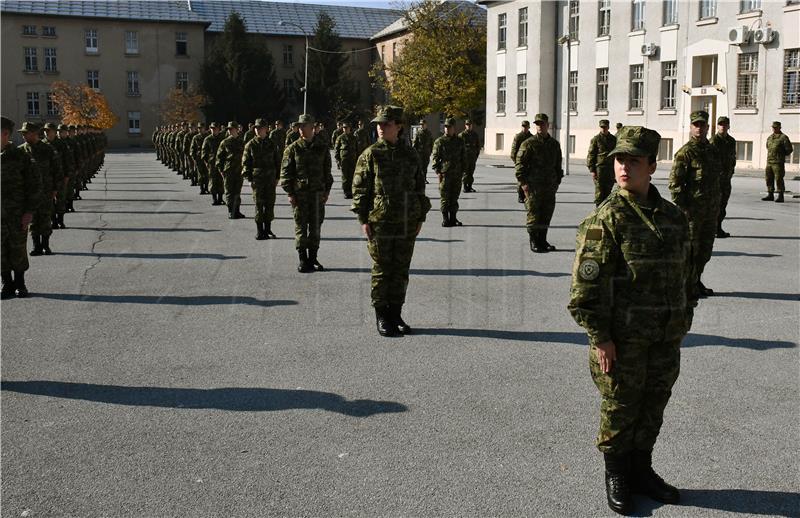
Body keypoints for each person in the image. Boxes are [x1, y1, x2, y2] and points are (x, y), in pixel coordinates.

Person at [568, 126, 696, 516]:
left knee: (654, 405)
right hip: (621, 340)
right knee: (620, 407)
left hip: (664, 337)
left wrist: (682, 319)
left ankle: (642, 470)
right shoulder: (605, 219)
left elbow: (686, 275)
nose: (623, 167)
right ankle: (618, 475)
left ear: (652, 166)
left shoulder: (674, 217)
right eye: (619, 160)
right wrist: (601, 338)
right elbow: (584, 291)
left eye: (633, 161)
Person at [352, 105, 430, 337]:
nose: (380, 127)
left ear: (399, 126)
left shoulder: (410, 154)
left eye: (386, 123)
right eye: (378, 124)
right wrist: (363, 219)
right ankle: (382, 316)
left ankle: (396, 313)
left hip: (406, 221)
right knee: (382, 270)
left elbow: (419, 187)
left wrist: (420, 216)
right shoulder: (371, 154)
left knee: (401, 270)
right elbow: (360, 189)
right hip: (381, 221)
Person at [669, 110, 721, 297]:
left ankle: (696, 281)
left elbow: (717, 180)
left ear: (708, 127)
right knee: (690, 250)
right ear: (690, 127)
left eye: (702, 125)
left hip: (710, 211)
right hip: (692, 213)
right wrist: (684, 209)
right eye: (695, 125)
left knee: (705, 250)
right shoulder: (685, 153)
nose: (699, 128)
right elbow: (675, 184)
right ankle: (686, 286)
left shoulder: (713, 150)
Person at [280, 114, 333, 273]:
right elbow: (285, 174)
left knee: (316, 227)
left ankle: (313, 258)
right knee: (301, 227)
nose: (301, 129)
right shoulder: (292, 148)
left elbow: (327, 173)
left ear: (313, 128)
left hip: (318, 194)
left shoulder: (322, 147)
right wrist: (290, 193)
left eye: (305, 126)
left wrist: (327, 191)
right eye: (300, 126)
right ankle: (303, 259)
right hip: (300, 195)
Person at [1, 116, 40, 298]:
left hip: (16, 213)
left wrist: (29, 212)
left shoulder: (20, 156)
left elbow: (34, 185)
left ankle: (20, 283)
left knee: (17, 248)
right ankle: (6, 284)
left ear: (5, 134)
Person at [515, 113, 563, 253]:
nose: (540, 126)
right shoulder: (528, 143)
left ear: (548, 125)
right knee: (533, 214)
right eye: (537, 124)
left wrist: (557, 182)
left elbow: (558, 165)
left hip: (549, 186)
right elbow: (520, 165)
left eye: (542, 124)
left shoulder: (554, 144)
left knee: (546, 214)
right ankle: (534, 241)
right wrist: (523, 183)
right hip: (533, 186)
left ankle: (543, 239)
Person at [19, 122, 62, 256]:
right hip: (28, 193)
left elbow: (57, 169)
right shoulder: (20, 151)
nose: (24, 136)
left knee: (45, 218)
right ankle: (36, 246)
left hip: (46, 190)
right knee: (32, 220)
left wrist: (56, 188)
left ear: (34, 134)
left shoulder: (47, 149)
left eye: (26, 133)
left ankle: (46, 245)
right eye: (23, 134)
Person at [242, 118, 280, 240]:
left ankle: (268, 229)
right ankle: (260, 231)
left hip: (270, 179)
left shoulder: (272, 144)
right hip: (257, 179)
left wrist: (277, 177)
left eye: (260, 128)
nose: (258, 130)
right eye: (256, 128)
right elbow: (245, 163)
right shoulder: (250, 145)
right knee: (259, 205)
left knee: (269, 204)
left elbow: (277, 161)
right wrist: (248, 179)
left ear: (266, 129)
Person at [431, 117, 466, 227]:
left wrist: (464, 171)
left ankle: (453, 218)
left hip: (457, 173)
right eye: (445, 127)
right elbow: (435, 157)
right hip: (445, 174)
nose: (447, 129)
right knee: (445, 197)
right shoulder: (440, 141)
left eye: (449, 127)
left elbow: (463, 157)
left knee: (454, 197)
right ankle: (445, 219)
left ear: (453, 128)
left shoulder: (460, 141)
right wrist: (438, 171)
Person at [709, 116, 736, 237]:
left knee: (723, 205)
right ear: (717, 126)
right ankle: (712, 229)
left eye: (725, 124)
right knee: (714, 205)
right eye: (720, 124)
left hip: (726, 179)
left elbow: (732, 158)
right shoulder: (714, 141)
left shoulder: (731, 141)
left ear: (729, 126)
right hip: (715, 179)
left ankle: (718, 228)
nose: (723, 127)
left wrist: (731, 172)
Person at [216, 121, 246, 219]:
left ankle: (237, 210)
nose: (230, 131)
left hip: (239, 170)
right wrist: (221, 170)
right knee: (229, 192)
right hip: (228, 171)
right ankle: (230, 211)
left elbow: (246, 157)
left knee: (237, 191)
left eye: (232, 129)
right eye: (229, 129)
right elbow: (219, 158)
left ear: (237, 129)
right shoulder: (224, 142)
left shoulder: (242, 142)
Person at [44, 123, 71, 229]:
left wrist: (67, 175)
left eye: (49, 130)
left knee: (61, 199)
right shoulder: (42, 145)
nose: (46, 132)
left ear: (54, 132)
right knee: (49, 201)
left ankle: (60, 220)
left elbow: (67, 160)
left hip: (60, 176)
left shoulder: (61, 144)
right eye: (45, 131)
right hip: (47, 178)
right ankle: (53, 221)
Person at [586, 119, 617, 206]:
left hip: (610, 169)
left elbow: (616, 154)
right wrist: (592, 170)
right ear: (600, 127)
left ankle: (605, 212)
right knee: (599, 193)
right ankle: (598, 212)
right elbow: (591, 154)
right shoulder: (596, 139)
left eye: (605, 127)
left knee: (608, 193)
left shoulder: (613, 139)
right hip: (599, 169)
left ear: (608, 127)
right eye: (602, 127)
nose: (604, 129)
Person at [763, 121, 793, 203]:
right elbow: (767, 147)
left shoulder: (783, 137)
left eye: (776, 127)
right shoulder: (770, 137)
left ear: (780, 127)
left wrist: (780, 155)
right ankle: (770, 194)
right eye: (773, 127)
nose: (774, 129)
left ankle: (780, 195)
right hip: (769, 162)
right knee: (768, 178)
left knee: (778, 179)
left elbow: (789, 149)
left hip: (778, 162)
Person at [202, 122, 226, 206]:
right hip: (212, 163)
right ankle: (214, 198)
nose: (214, 130)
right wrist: (207, 163)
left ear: (218, 129)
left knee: (221, 181)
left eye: (215, 128)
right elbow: (204, 153)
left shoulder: (223, 139)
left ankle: (220, 198)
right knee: (212, 180)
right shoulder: (207, 139)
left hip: (221, 162)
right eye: (212, 128)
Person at [510, 120, 533, 203]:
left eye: (526, 126)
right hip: (520, 161)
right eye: (523, 126)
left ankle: (527, 195)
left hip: (529, 162)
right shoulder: (518, 137)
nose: (525, 128)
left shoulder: (531, 137)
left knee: (529, 180)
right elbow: (513, 150)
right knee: (520, 179)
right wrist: (516, 162)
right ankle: (520, 195)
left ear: (529, 127)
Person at [334, 122, 359, 199]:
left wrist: (358, 159)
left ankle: (351, 191)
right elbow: (336, 150)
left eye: (347, 128)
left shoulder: (354, 138)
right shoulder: (340, 138)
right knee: (345, 177)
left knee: (352, 176)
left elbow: (357, 149)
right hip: (344, 160)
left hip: (353, 160)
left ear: (349, 128)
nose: (345, 129)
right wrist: (338, 161)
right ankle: (346, 191)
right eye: (344, 128)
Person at [458, 119, 481, 193]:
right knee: (465, 172)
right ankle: (465, 186)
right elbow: (458, 147)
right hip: (465, 158)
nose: (469, 126)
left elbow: (478, 146)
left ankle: (470, 186)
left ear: (472, 125)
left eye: (470, 125)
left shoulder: (475, 134)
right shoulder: (462, 135)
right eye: (467, 125)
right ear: (465, 125)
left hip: (472, 157)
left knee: (471, 172)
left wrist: (476, 155)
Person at [189, 122, 209, 195]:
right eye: (199, 128)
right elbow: (192, 149)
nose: (200, 129)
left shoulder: (208, 136)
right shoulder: (196, 137)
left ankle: (206, 187)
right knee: (200, 174)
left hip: (206, 158)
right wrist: (194, 158)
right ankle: (202, 188)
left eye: (201, 128)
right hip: (198, 158)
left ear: (204, 128)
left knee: (207, 173)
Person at [412, 118, 433, 184]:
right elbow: (415, 143)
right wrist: (414, 152)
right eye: (421, 124)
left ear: (426, 125)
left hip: (426, 153)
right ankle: (419, 179)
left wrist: (430, 151)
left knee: (425, 166)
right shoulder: (418, 133)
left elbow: (431, 143)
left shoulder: (429, 133)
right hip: (420, 152)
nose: (422, 126)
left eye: (423, 124)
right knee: (420, 166)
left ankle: (424, 179)